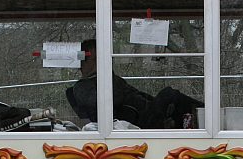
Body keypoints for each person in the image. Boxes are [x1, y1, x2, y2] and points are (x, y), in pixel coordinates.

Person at [65, 39, 202, 129]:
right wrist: (102, 73)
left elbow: (134, 93)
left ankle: (201, 120)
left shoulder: (108, 79)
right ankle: (207, 114)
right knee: (169, 94)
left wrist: (155, 103)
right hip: (134, 123)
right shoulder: (81, 87)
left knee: (173, 104)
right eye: (96, 59)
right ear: (85, 61)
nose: (100, 61)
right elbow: (111, 100)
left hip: (144, 114)